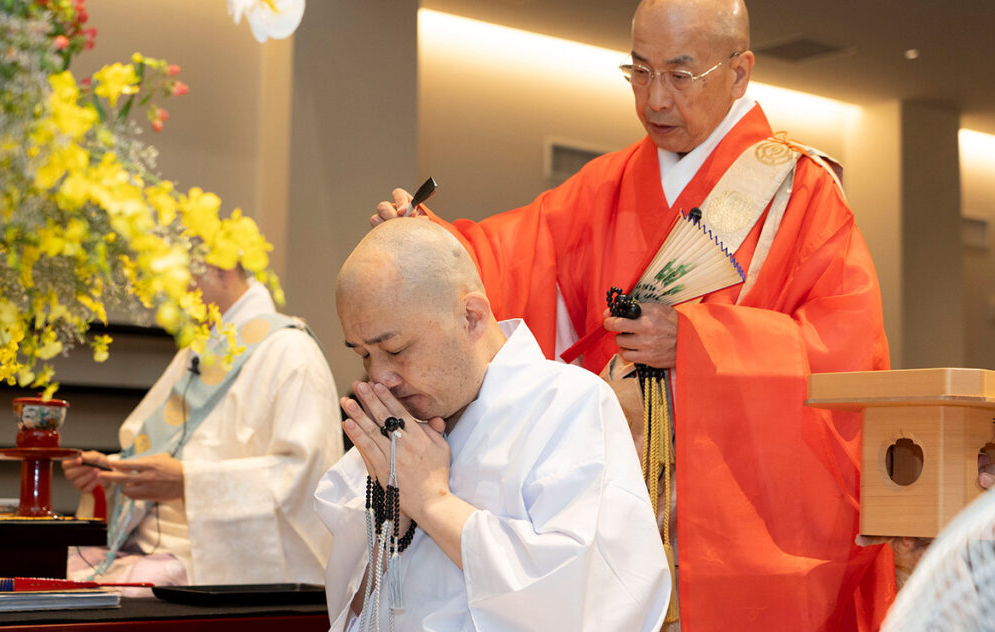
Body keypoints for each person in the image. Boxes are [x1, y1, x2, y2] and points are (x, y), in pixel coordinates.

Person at [373, 0, 897, 629]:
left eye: (680, 75)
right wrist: (430, 245)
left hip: (736, 520)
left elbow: (845, 351)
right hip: (613, 500)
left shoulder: (800, 195)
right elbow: (510, 261)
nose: (655, 99)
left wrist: (700, 340)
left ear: (740, 71)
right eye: (639, 72)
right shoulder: (607, 185)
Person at [314, 218, 671, 631]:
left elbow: (578, 598)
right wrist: (391, 527)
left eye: (396, 349)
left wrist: (432, 503)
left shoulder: (567, 404)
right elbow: (354, 610)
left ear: (471, 316)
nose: (380, 378)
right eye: (363, 355)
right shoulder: (395, 427)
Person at [61, 265, 344, 591]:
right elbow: (157, 449)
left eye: (180, 279)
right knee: (47, 575)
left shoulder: (292, 352)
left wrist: (189, 483)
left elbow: (304, 482)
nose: (172, 299)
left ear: (220, 270)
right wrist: (111, 474)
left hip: (211, 562)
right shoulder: (198, 350)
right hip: (148, 547)